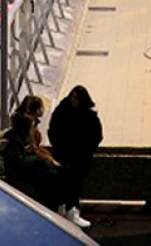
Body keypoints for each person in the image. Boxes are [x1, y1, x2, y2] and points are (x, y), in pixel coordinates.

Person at [47, 85, 102, 228]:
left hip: (79, 158)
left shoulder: (88, 116)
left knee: (74, 182)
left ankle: (71, 209)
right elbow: (53, 132)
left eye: (77, 98)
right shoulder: (62, 112)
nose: (74, 101)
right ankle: (66, 208)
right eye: (73, 97)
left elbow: (96, 137)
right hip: (65, 155)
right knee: (66, 181)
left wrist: (84, 151)